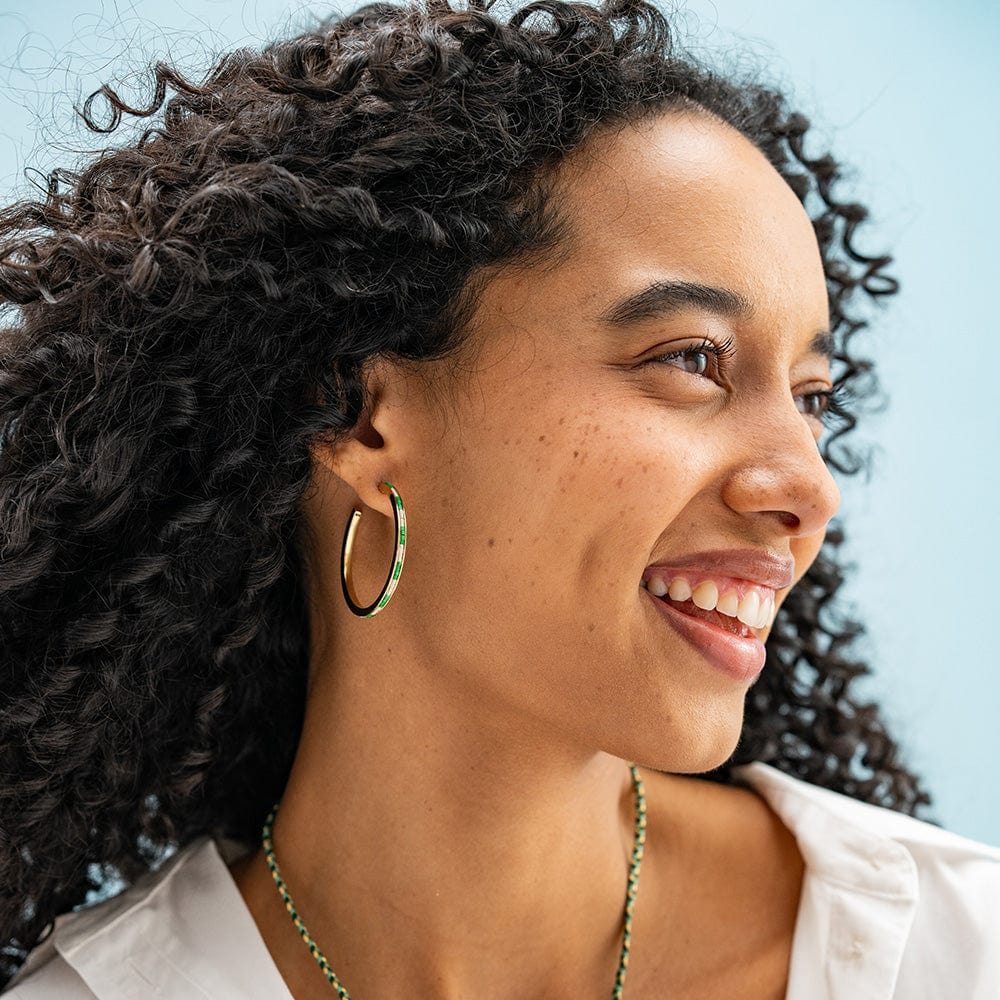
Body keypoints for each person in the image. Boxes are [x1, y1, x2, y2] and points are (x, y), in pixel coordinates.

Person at [1, 0, 997, 996]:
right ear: (360, 417)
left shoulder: (953, 954)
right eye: (692, 358)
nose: (810, 489)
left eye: (812, 398)